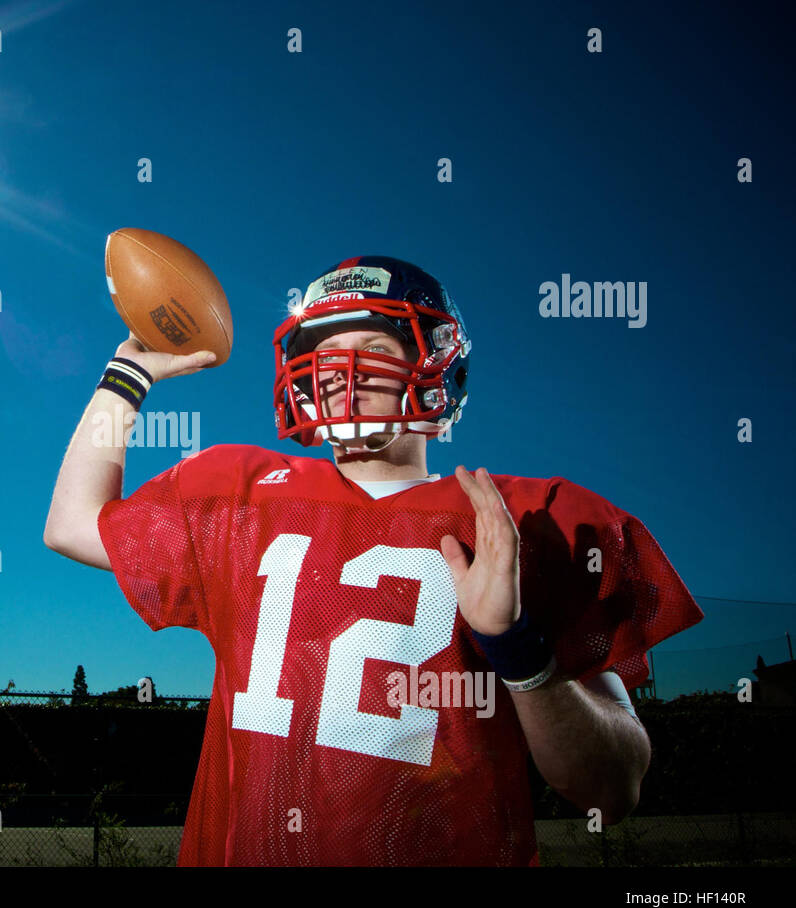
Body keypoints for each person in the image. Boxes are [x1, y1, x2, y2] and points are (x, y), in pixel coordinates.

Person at [44, 255, 703, 865]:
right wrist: (125, 377)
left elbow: (613, 791)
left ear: (434, 365)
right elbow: (73, 525)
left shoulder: (523, 522)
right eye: (324, 357)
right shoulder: (240, 493)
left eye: (373, 349)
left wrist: (520, 651)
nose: (341, 374)